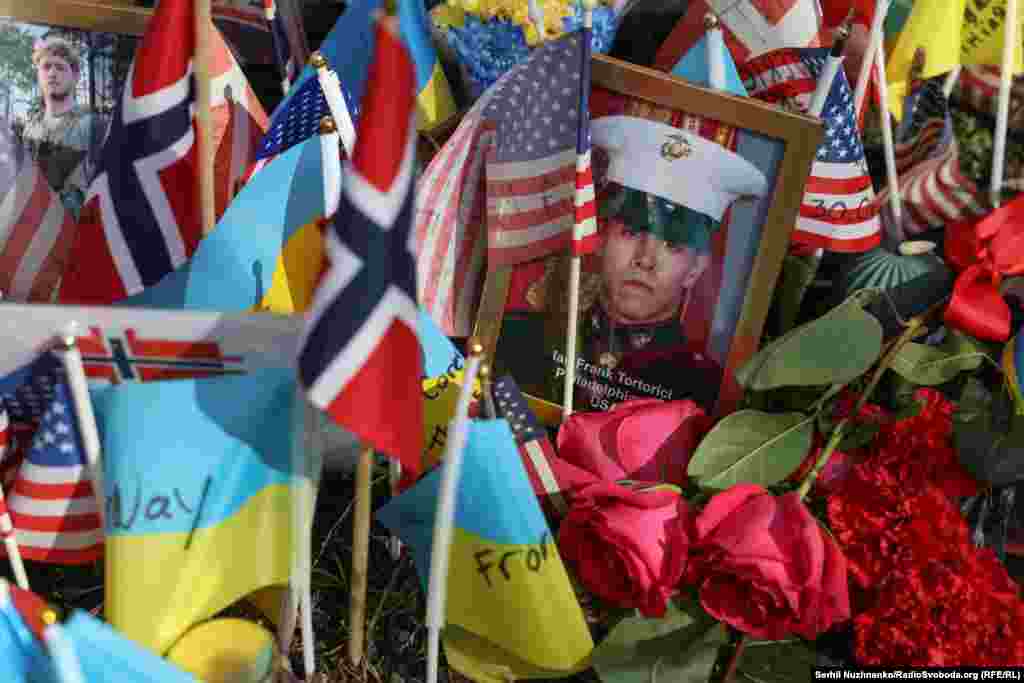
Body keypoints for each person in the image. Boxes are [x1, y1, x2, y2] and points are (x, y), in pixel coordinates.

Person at [496, 114, 768, 414]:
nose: (645, 260)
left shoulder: (703, 393)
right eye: (631, 232)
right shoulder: (517, 340)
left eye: (672, 244)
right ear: (599, 238)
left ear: (695, 269)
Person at [19, 36, 106, 219]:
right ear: (38, 75)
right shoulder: (30, 129)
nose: (52, 73)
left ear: (75, 76)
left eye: (60, 67)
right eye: (46, 66)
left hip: (79, 233)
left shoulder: (94, 126)